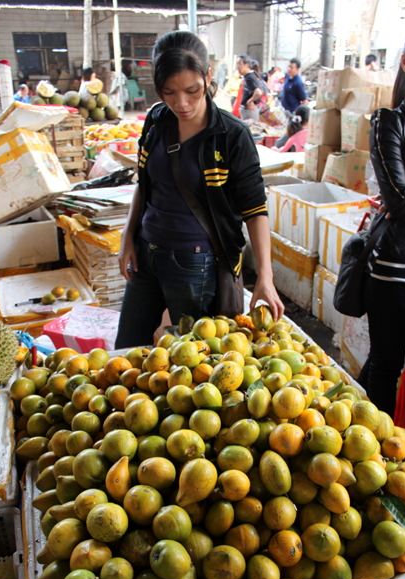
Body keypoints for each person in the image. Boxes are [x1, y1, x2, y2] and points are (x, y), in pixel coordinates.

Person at [115, 31, 284, 348]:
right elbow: (145, 181)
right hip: (145, 255)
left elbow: (255, 210)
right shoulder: (156, 119)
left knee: (193, 362)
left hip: (195, 265)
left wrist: (265, 277)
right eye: (169, 92)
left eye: (192, 90)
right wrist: (127, 235)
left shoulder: (231, 135)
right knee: (126, 350)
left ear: (208, 76)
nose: (181, 103)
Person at [358, 15, 405, 417]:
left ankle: (349, 407)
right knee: (387, 363)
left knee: (382, 362)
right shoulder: (389, 122)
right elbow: (400, 204)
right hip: (396, 267)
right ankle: (378, 458)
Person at [237, 54, 265, 122]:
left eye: (239, 64)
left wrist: (250, 101)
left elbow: (258, 92)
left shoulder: (249, 77)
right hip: (248, 111)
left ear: (246, 65)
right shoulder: (248, 76)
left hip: (249, 112)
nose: (237, 67)